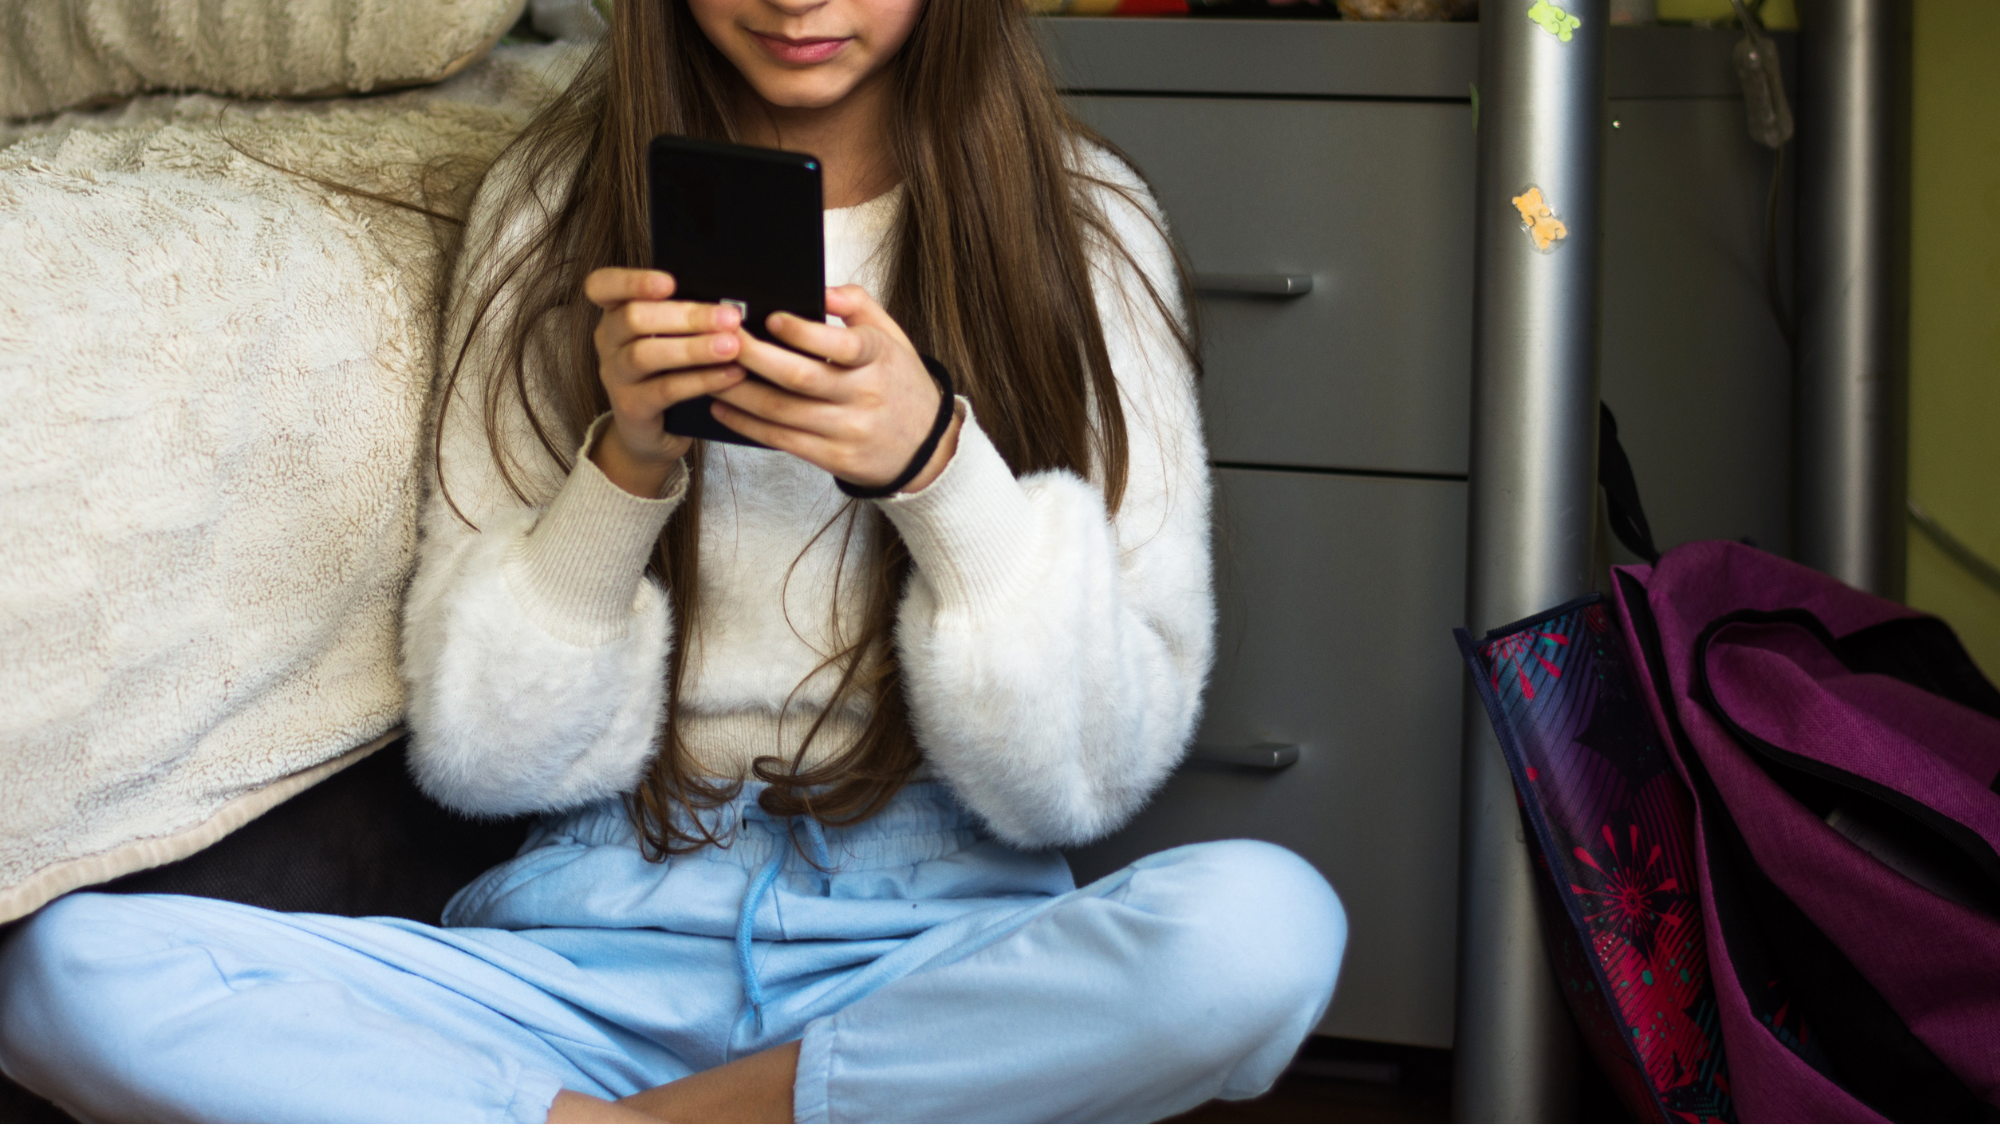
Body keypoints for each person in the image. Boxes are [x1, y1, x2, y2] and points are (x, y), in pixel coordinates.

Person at [0, 0, 1345, 1123]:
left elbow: (1088, 777)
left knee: (1263, 929)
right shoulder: (552, 210)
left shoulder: (1088, 228)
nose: (800, 1)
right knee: (67, 975)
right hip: (592, 928)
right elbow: (490, 759)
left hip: (932, 938)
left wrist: (938, 463)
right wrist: (625, 466)